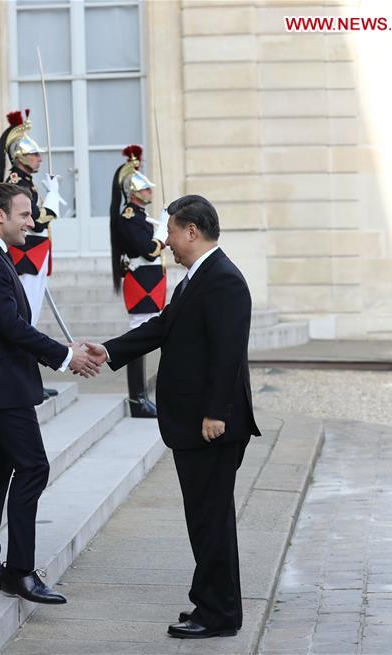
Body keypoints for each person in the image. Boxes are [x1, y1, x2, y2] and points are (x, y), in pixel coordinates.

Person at [86, 195, 261, 638]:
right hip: (193, 423)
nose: (163, 240)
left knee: (211, 519)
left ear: (191, 231)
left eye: (170, 231)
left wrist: (215, 414)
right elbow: (162, 328)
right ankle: (210, 604)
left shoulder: (223, 280)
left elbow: (228, 353)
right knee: (204, 518)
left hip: (211, 426)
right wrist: (109, 351)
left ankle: (218, 614)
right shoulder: (196, 279)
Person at [0, 183, 99, 605]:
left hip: (2, 385)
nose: (31, 221)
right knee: (33, 469)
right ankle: (19, 571)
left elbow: (12, 325)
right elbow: (11, 327)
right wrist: (63, 357)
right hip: (2, 389)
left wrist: (62, 352)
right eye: (24, 214)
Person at [0, 110, 64, 402]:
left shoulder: (25, 181)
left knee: (30, 318)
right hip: (27, 256)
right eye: (34, 155)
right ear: (20, 157)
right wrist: (53, 199)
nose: (39, 159)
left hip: (34, 254)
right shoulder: (17, 182)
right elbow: (39, 218)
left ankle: (28, 376)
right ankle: (24, 378)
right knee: (26, 319)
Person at [108, 145, 167, 419]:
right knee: (138, 338)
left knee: (147, 336)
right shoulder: (129, 218)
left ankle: (143, 396)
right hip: (141, 282)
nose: (150, 192)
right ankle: (137, 398)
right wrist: (164, 232)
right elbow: (148, 250)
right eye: (145, 189)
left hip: (151, 281)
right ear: (133, 193)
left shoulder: (141, 216)